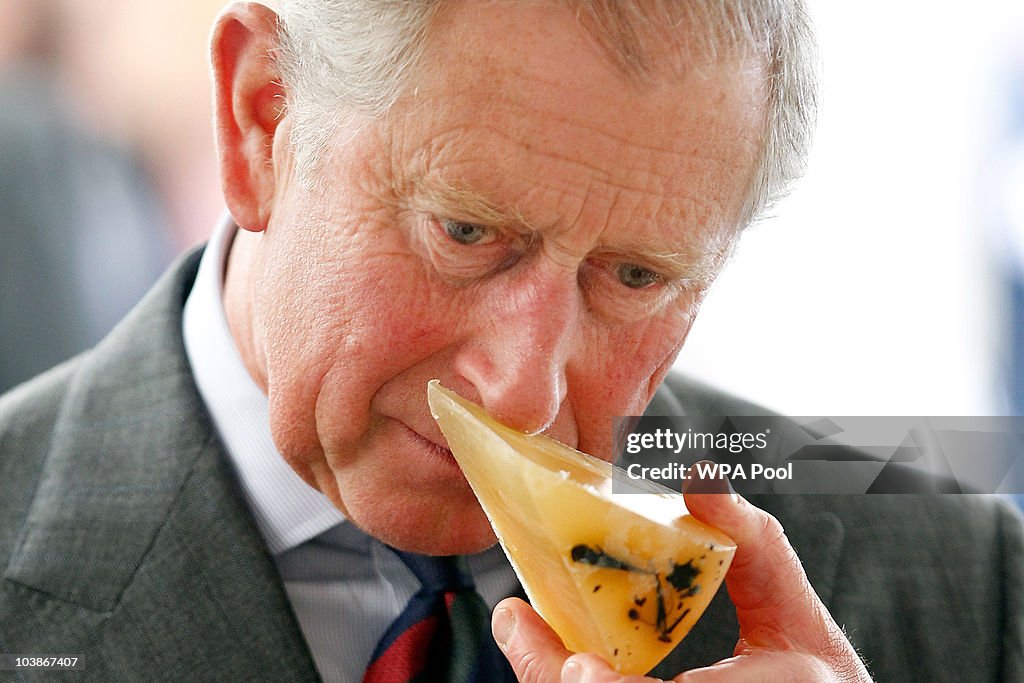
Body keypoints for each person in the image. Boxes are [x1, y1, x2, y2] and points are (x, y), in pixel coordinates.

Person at [0, 1, 1020, 681]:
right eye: (466, 231)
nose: (522, 392)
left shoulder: (965, 589)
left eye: (635, 275)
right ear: (263, 119)